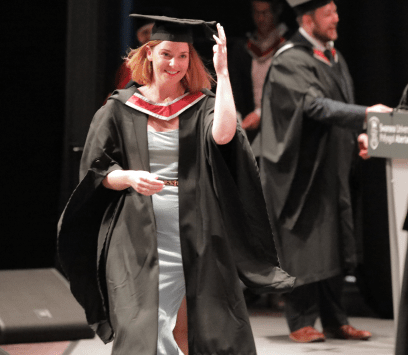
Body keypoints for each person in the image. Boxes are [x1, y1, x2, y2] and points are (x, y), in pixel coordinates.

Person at [57, 13, 296, 355]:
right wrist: (128, 177)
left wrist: (224, 73)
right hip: (136, 233)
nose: (175, 63)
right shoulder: (120, 108)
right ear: (149, 53)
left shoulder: (201, 106)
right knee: (140, 326)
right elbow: (95, 174)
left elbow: (225, 134)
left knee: (208, 327)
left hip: (195, 230)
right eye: (167, 54)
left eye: (183, 56)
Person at [258, 0, 392, 343]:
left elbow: (337, 110)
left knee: (334, 241)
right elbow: (313, 105)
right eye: (328, 13)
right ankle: (300, 319)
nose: (336, 19)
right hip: (301, 171)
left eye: (335, 11)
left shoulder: (333, 57)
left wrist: (360, 136)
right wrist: (366, 114)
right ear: (307, 19)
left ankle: (335, 319)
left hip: (333, 167)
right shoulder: (290, 59)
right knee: (307, 243)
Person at [228, 0, 290, 144]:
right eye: (256, 13)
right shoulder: (242, 48)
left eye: (265, 13)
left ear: (277, 11)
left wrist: (262, 114)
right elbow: (235, 86)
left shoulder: (289, 46)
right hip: (250, 127)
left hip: (282, 125)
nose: (260, 18)